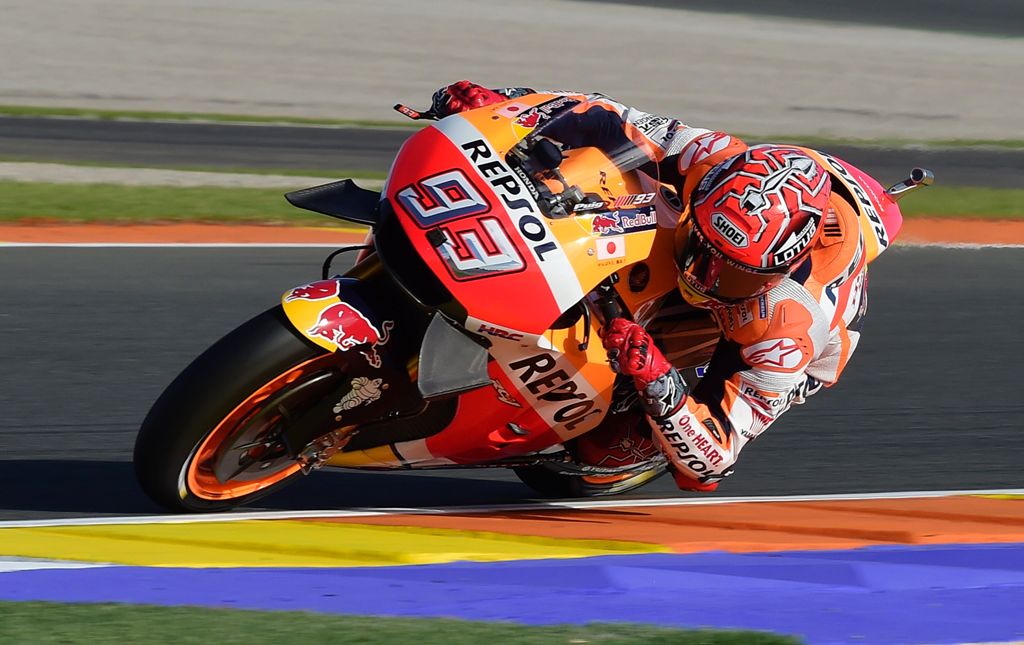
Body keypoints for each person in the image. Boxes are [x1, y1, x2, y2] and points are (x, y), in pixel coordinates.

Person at [429, 81, 871, 492]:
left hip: (757, 333)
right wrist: (504, 106)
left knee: (606, 445)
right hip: (697, 228)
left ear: (783, 267)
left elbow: (713, 463)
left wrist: (657, 379)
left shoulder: (789, 326)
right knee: (597, 172)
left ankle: (627, 426)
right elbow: (604, 116)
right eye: (702, 250)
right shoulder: (712, 158)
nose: (704, 280)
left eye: (731, 274)